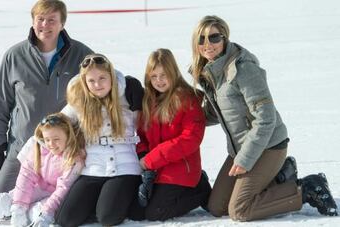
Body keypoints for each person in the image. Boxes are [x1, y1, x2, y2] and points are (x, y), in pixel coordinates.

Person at [189, 15, 338, 221]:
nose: (208, 44)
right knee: (217, 207)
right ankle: (280, 177)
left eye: (214, 37)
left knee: (240, 210)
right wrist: (185, 118)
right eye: (202, 39)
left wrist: (245, 159)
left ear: (225, 38)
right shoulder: (214, 71)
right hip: (242, 148)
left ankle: (308, 189)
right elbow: (220, 112)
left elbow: (266, 118)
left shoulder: (242, 68)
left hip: (269, 146)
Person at [0, 0, 93, 196]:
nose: (45, 25)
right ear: (33, 22)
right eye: (40, 19)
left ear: (62, 23)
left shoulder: (81, 55)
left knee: (60, 208)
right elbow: (1, 105)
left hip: (65, 152)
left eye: (52, 20)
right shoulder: (15, 56)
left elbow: (105, 81)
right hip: (23, 150)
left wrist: (128, 88)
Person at [54, 53, 144, 226]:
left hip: (123, 168)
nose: (97, 85)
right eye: (91, 81)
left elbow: (156, 109)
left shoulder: (128, 95)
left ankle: (125, 199)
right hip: (92, 169)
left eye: (102, 78)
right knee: (65, 219)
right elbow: (55, 125)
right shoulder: (80, 103)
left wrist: (140, 93)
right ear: (84, 83)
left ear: (111, 75)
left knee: (108, 218)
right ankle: (102, 201)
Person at [128, 48, 212, 222]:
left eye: (164, 75)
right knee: (135, 211)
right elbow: (141, 136)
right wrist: (143, 155)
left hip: (181, 168)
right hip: (156, 168)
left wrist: (151, 160)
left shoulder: (187, 99)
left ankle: (200, 190)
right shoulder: (148, 100)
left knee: (156, 213)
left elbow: (190, 139)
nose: (159, 81)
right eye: (154, 76)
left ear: (173, 73)